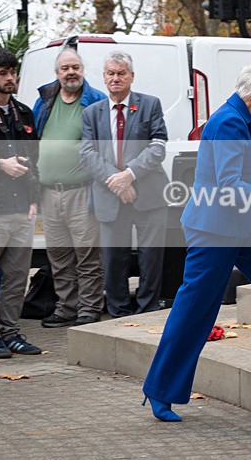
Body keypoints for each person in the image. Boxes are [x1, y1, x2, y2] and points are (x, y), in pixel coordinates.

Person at [142, 61, 251, 422]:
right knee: (196, 309)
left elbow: (244, 174)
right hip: (213, 229)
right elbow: (227, 186)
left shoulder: (238, 116)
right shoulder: (228, 121)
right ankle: (159, 391)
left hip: (238, 225)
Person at [79, 50, 168, 318]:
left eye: (121, 73)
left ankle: (147, 311)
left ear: (131, 76)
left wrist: (129, 175)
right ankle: (117, 313)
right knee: (113, 259)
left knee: (150, 257)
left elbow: (158, 146)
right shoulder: (91, 113)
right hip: (109, 196)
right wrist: (116, 181)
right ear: (104, 77)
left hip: (149, 196)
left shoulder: (150, 105)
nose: (115, 78)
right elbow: (86, 154)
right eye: (110, 73)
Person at [34, 49, 107, 327]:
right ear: (57, 73)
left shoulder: (95, 101)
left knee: (87, 254)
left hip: (83, 190)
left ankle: (89, 308)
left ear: (83, 69)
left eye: (75, 66)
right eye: (65, 68)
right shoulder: (44, 101)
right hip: (49, 192)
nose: (70, 72)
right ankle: (66, 308)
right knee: (59, 255)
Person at [0, 48, 42, 358]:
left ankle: (11, 333)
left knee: (18, 278)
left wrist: (35, 201)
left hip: (21, 209)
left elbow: (35, 159)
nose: (10, 79)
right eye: (3, 73)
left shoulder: (25, 112)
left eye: (13, 72)